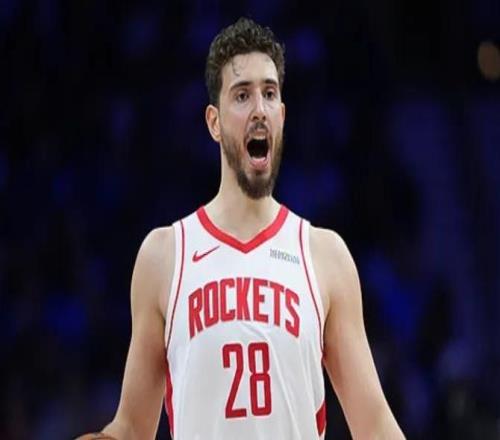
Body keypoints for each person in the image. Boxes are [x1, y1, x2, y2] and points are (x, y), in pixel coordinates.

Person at [77, 17, 405, 440]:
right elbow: (131, 428)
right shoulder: (165, 255)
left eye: (269, 94)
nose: (259, 110)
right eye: (242, 95)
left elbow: (374, 424)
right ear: (213, 122)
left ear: (282, 116)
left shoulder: (324, 255)